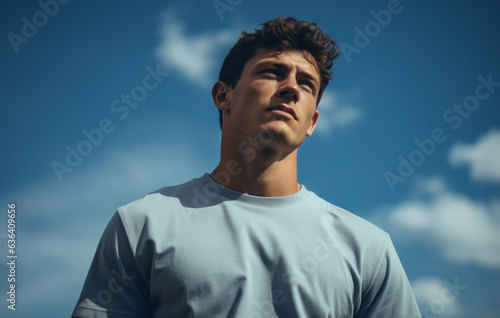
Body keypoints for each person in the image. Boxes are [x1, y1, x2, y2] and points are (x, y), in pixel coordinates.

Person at [72, 17, 421, 318]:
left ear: (312, 121)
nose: (291, 89)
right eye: (273, 72)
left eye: (306, 83)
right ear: (224, 95)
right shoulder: (142, 226)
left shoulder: (368, 248)